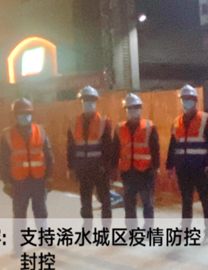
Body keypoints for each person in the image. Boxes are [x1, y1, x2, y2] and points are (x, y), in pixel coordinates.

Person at [0, 99, 53, 254]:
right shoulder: (7, 135)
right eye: (21, 113)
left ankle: (44, 240)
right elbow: (3, 160)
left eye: (27, 113)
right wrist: (6, 182)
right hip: (18, 182)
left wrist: (49, 177)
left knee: (41, 211)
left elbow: (48, 155)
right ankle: (18, 246)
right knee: (19, 214)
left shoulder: (40, 131)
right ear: (15, 115)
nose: (25, 116)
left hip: (38, 179)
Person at [166, 84, 208, 239]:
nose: (186, 102)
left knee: (205, 199)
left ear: (195, 100)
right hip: (183, 167)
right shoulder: (177, 121)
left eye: (189, 99)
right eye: (184, 99)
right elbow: (173, 144)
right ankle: (185, 229)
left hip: (200, 167)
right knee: (186, 199)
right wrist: (170, 164)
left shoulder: (205, 119)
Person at [67, 86, 113, 223]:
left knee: (105, 200)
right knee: (85, 202)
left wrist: (107, 168)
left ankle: (106, 230)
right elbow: (70, 147)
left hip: (100, 170)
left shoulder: (104, 122)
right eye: (85, 100)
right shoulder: (74, 122)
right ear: (81, 102)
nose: (88, 102)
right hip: (83, 169)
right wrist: (71, 167)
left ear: (95, 101)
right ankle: (87, 229)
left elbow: (108, 148)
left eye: (91, 99)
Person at [113, 93, 160, 227]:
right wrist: (113, 169)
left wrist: (155, 168)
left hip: (146, 172)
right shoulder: (119, 128)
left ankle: (148, 228)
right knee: (129, 203)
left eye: (136, 107)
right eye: (130, 108)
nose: (133, 110)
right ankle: (131, 229)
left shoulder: (149, 127)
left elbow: (155, 149)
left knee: (147, 203)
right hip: (128, 172)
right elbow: (115, 150)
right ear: (126, 110)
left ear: (140, 108)